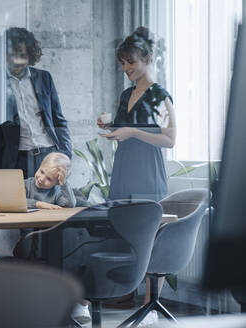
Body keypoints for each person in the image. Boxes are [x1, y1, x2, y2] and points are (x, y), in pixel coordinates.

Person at [98, 26, 177, 327]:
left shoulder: (160, 96)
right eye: (122, 63)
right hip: (125, 170)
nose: (126, 68)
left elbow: (170, 139)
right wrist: (110, 128)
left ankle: (150, 305)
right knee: (125, 235)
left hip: (147, 173)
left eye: (130, 62)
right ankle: (131, 299)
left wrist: (132, 132)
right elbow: (121, 132)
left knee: (150, 238)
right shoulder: (126, 94)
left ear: (147, 58)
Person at [0, 27, 72, 179]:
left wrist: (66, 154)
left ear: (30, 54)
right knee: (19, 202)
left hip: (48, 154)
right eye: (11, 55)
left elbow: (58, 120)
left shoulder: (44, 77)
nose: (16, 61)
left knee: (52, 202)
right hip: (16, 160)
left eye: (21, 55)